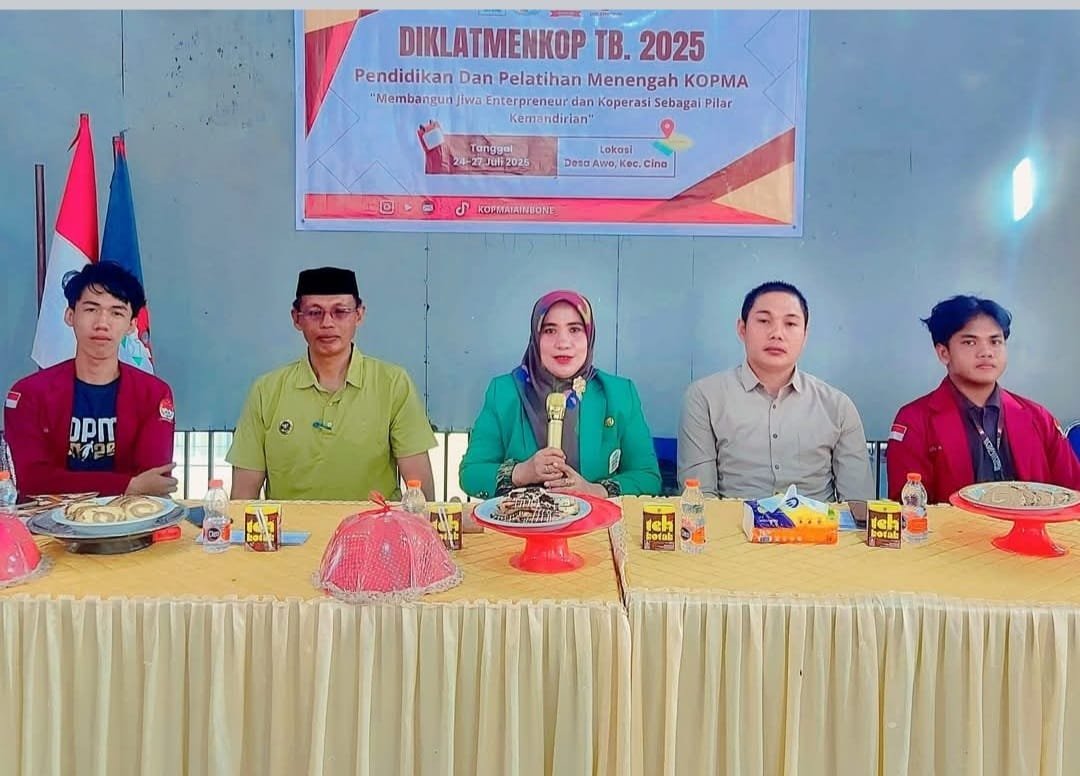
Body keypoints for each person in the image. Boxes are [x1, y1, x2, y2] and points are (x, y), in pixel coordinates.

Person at [226, 267, 436, 501]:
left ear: (359, 315)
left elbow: (420, 491)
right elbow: (243, 494)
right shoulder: (266, 390)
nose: (327, 323)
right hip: (290, 525)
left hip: (374, 524)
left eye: (340, 312)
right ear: (296, 318)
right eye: (315, 313)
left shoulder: (393, 383)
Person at [678, 281, 874, 502]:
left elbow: (858, 503)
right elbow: (699, 498)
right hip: (732, 523)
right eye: (764, 321)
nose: (777, 334)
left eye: (790, 323)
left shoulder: (838, 407)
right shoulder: (704, 397)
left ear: (805, 335)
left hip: (816, 524)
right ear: (742, 329)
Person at [460, 290, 661, 499]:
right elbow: (471, 473)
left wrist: (593, 491)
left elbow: (647, 477)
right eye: (549, 330)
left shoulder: (619, 394)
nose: (563, 343)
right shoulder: (504, 392)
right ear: (536, 337)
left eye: (575, 329)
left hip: (596, 520)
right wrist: (521, 472)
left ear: (589, 335)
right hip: (523, 518)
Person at [4, 261, 177, 497]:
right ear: (70, 316)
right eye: (91, 309)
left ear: (131, 325)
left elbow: (153, 481)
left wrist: (71, 483)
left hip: (130, 517)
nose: (102, 323)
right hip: (47, 519)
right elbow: (32, 481)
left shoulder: (153, 394)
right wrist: (127, 485)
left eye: (116, 313)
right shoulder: (28, 394)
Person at [887, 295, 1080, 502]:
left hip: (1033, 524)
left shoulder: (1039, 418)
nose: (986, 352)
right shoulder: (915, 420)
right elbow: (908, 507)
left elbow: (1073, 495)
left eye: (995, 341)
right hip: (953, 524)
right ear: (944, 353)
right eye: (970, 342)